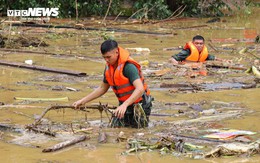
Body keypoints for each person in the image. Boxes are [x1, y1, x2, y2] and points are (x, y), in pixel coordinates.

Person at [73, 40, 152, 128]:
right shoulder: (108, 67)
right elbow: (102, 88)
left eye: (108, 57)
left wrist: (124, 105)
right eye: (104, 57)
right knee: (115, 128)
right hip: (124, 104)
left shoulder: (128, 67)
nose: (106, 60)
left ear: (117, 52)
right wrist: (83, 101)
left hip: (140, 105)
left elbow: (140, 89)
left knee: (137, 131)